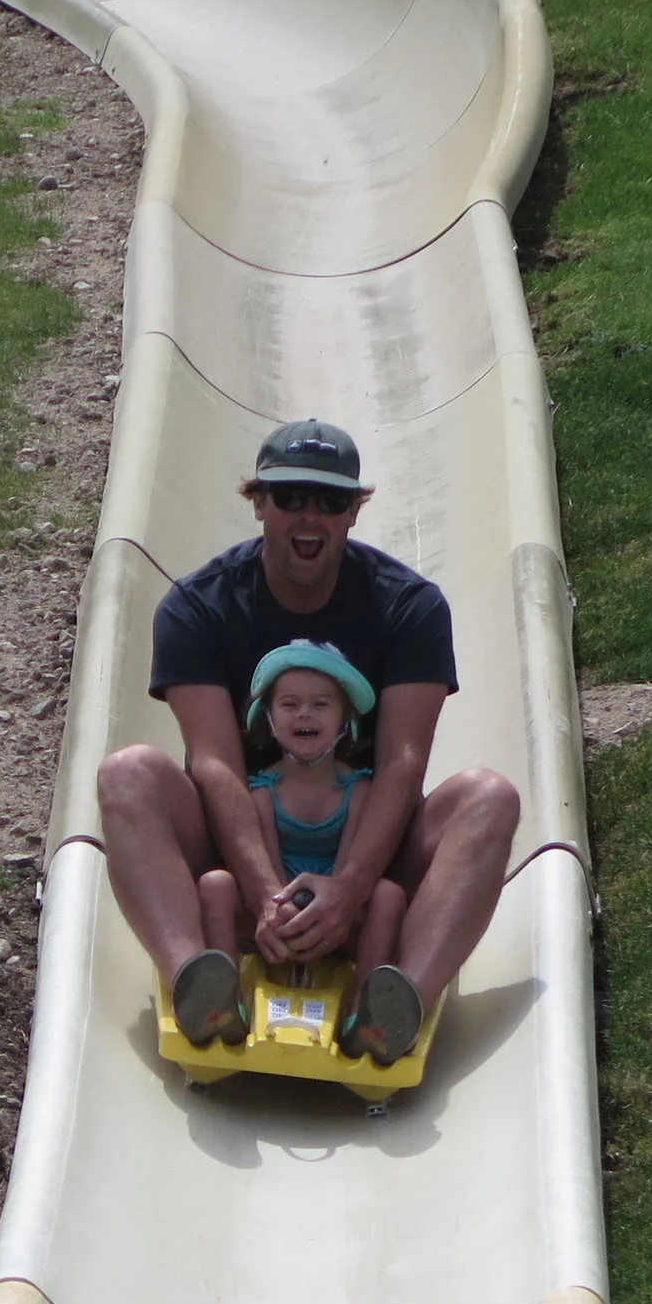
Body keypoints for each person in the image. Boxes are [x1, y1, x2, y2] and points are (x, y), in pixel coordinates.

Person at [98, 418, 521, 1066]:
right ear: (259, 501)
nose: (310, 516)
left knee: (490, 796)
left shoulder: (409, 607)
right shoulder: (198, 607)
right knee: (127, 772)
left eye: (330, 501)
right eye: (291, 496)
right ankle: (196, 979)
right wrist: (270, 895)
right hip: (239, 877)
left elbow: (404, 764)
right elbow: (215, 764)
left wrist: (349, 888)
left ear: (355, 510)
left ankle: (398, 1001)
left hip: (369, 878)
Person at [195, 640, 412, 1061]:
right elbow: (268, 878)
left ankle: (365, 1017)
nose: (305, 714)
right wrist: (282, 916)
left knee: (389, 895)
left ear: (344, 719)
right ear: (270, 720)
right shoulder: (261, 792)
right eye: (290, 704)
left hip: (339, 916)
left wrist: (327, 913)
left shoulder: (358, 790)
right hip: (272, 920)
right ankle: (222, 1002)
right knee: (215, 885)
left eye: (320, 705)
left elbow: (350, 872)